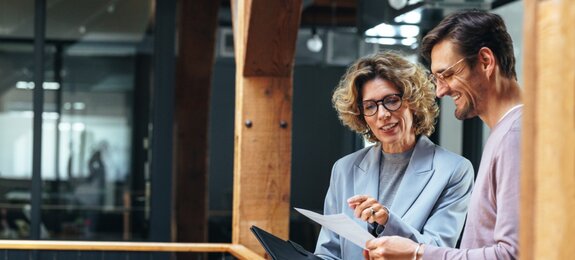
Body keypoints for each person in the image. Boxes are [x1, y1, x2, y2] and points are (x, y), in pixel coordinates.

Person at [364, 9, 522, 260]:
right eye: (436, 78)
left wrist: (417, 253)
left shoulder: (515, 135)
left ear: (485, 61)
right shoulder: (505, 132)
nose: (440, 91)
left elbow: (512, 255)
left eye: (447, 74)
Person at [314, 51, 475, 259]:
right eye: (370, 106)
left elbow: (436, 251)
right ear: (361, 115)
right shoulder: (344, 169)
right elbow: (328, 253)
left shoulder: (454, 170)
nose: (383, 114)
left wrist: (388, 221)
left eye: (391, 100)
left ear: (413, 102)